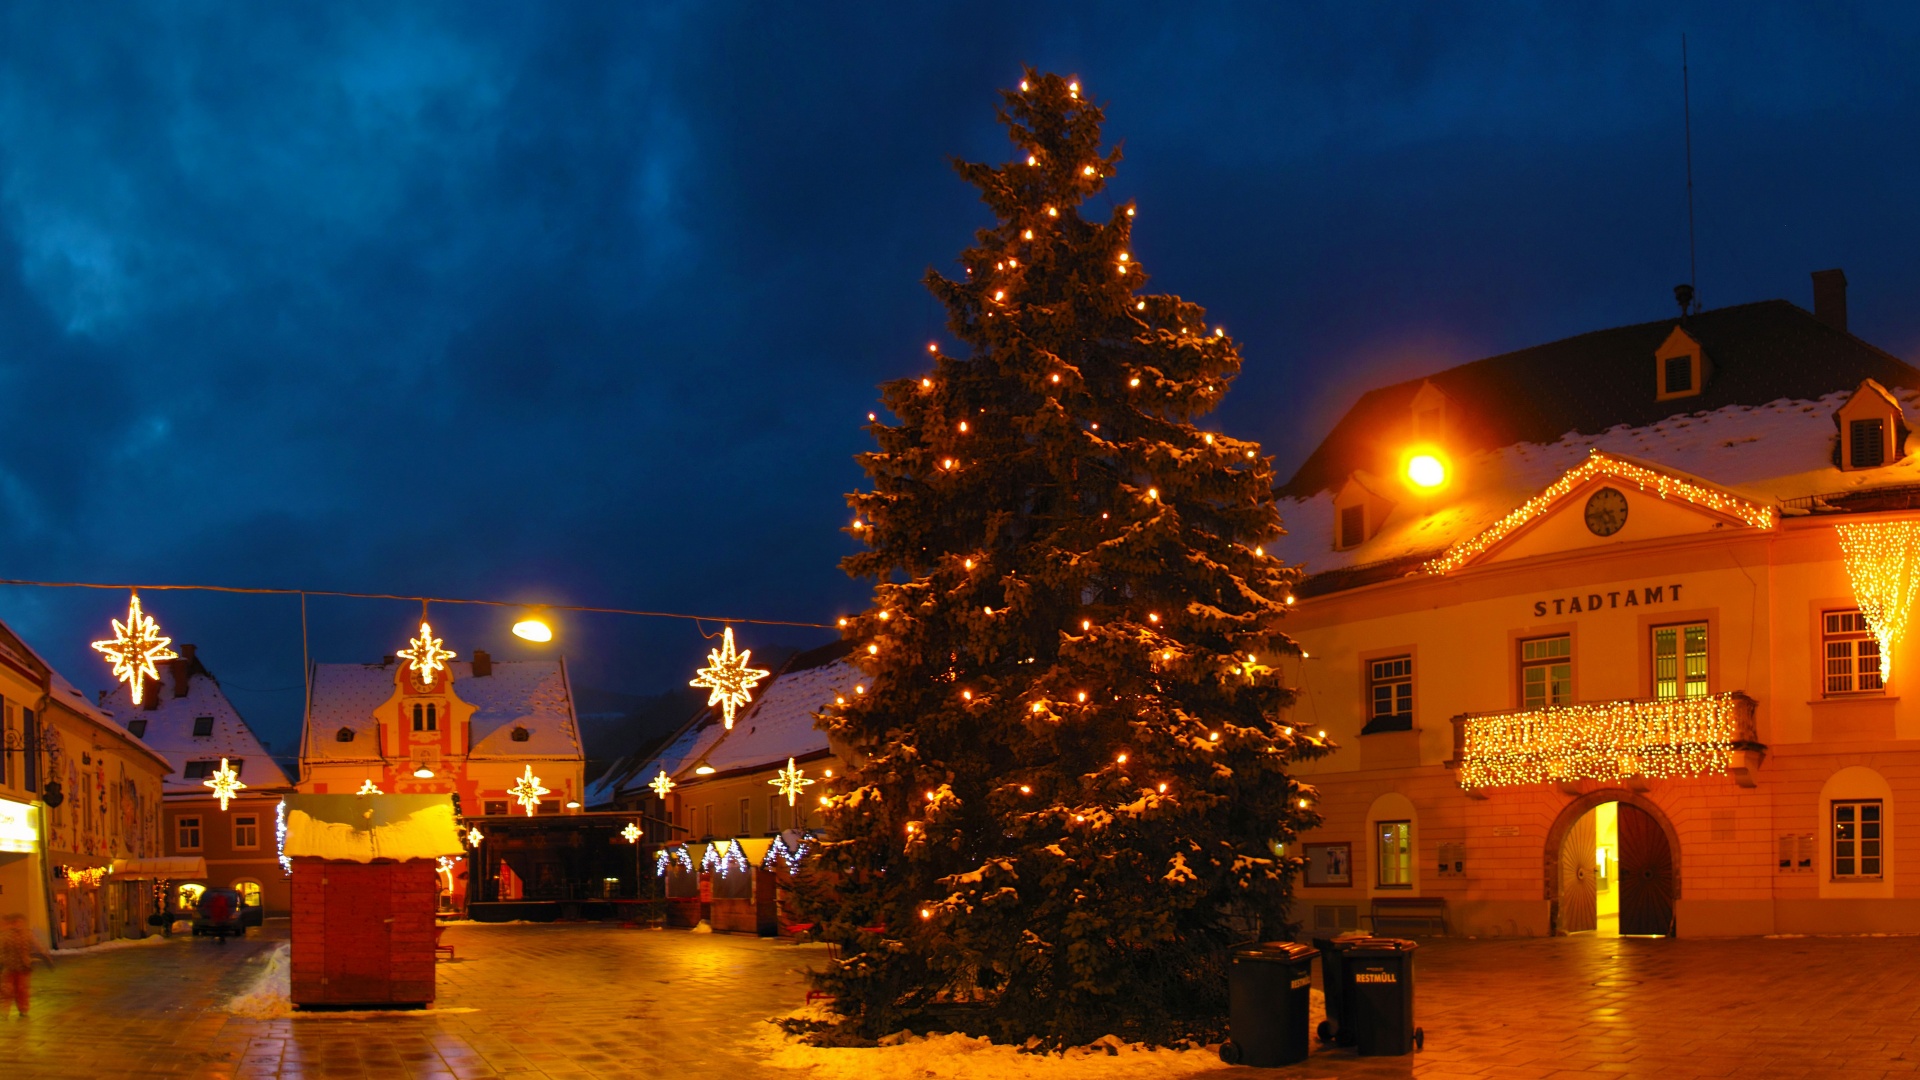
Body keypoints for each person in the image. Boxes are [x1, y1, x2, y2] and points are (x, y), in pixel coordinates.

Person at [1, 912, 55, 1018]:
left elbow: (38, 945)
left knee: (22, 989)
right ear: (13, 923)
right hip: (9, 967)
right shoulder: (5, 936)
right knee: (7, 990)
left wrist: (46, 957)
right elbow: (1, 950)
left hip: (23, 967)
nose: (19, 924)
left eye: (21, 922)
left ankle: (23, 1009)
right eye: (17, 922)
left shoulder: (27, 934)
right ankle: (5, 1011)